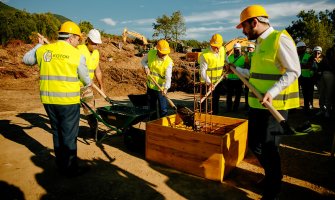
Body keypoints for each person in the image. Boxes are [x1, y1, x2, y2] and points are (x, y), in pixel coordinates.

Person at [234, 5, 301, 199]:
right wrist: (238, 71)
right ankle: (273, 175)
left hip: (275, 107)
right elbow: (257, 75)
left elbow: (293, 71)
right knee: (255, 144)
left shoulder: (280, 39)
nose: (243, 31)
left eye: (244, 27)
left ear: (254, 22)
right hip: (258, 105)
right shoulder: (260, 44)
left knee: (270, 148)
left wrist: (272, 92)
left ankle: (273, 187)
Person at [23, 21, 91, 177]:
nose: (78, 42)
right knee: (69, 135)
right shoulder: (76, 55)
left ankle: (61, 165)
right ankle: (70, 169)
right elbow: (86, 81)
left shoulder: (44, 50)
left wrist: (38, 46)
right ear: (71, 37)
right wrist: (85, 81)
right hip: (68, 102)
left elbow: (26, 60)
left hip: (48, 101)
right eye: (78, 39)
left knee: (57, 132)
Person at [77, 29, 104, 139]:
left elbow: (97, 70)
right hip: (74, 86)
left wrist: (101, 86)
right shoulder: (79, 49)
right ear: (87, 40)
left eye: (97, 43)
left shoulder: (96, 53)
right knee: (72, 112)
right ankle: (70, 133)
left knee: (91, 111)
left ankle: (94, 133)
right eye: (93, 43)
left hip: (87, 87)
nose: (95, 45)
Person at [141, 39, 173, 119]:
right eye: (162, 53)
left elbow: (168, 77)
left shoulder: (168, 62)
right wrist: (146, 67)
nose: (164, 55)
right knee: (152, 108)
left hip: (161, 89)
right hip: (150, 86)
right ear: (157, 50)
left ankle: (163, 124)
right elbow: (143, 61)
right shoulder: (151, 53)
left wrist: (166, 88)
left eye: (165, 53)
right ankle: (153, 124)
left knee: (163, 109)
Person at [198, 33, 226, 115]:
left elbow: (225, 59)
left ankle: (214, 116)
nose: (216, 48)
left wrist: (228, 64)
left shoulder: (222, 50)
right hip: (206, 83)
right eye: (214, 46)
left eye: (218, 46)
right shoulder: (205, 55)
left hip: (217, 82)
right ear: (211, 44)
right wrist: (209, 83)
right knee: (204, 102)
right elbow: (203, 71)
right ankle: (201, 116)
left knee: (215, 101)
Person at [316, 45, 335, 118]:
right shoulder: (329, 50)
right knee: (322, 93)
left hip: (331, 74)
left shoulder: (330, 51)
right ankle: (322, 110)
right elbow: (324, 61)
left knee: (328, 93)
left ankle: (327, 111)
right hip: (323, 73)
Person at [226, 42, 245, 112]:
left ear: (240, 50)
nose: (236, 51)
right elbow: (226, 67)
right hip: (230, 79)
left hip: (239, 79)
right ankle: (228, 108)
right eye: (235, 49)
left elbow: (245, 68)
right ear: (233, 50)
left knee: (238, 95)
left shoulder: (243, 58)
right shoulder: (229, 58)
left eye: (238, 49)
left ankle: (235, 109)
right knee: (229, 95)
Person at [297, 41, 313, 112]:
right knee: (295, 93)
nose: (298, 50)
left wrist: (298, 65)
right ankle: (294, 107)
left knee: (306, 93)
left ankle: (307, 108)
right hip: (297, 78)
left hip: (306, 78)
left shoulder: (309, 56)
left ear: (304, 48)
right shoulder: (296, 56)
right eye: (298, 48)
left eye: (300, 48)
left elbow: (309, 66)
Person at [244, 43, 255, 110]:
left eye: (251, 48)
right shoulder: (247, 56)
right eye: (248, 48)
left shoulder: (255, 55)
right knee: (247, 91)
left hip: (253, 76)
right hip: (248, 76)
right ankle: (247, 105)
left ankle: (251, 106)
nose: (249, 49)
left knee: (253, 91)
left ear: (253, 49)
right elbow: (246, 65)